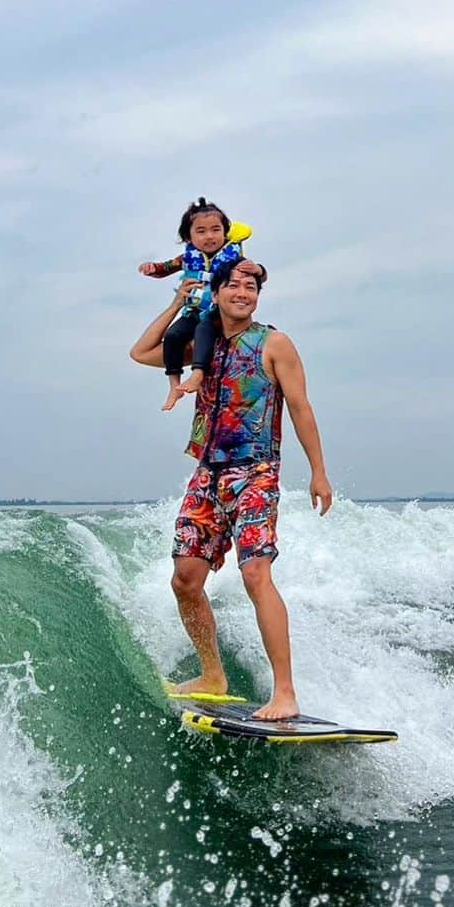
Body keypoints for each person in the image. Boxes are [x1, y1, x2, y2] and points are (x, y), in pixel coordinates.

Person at [129, 258, 333, 719]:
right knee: (185, 580)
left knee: (255, 574)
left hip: (256, 472)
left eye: (251, 287)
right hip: (208, 473)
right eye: (234, 286)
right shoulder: (203, 343)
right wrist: (178, 299)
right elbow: (141, 352)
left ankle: (285, 693)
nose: (244, 293)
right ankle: (212, 674)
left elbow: (300, 407)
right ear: (216, 293)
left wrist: (318, 471)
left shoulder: (274, 343)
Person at [138, 197, 254, 411]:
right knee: (173, 336)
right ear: (188, 236)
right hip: (192, 310)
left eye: (215, 230)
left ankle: (198, 373)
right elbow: (164, 268)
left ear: (225, 232)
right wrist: (150, 268)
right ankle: (174, 384)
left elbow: (259, 275)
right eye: (201, 231)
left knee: (203, 330)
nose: (209, 236)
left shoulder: (233, 258)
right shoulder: (187, 258)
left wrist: (256, 270)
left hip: (216, 314)